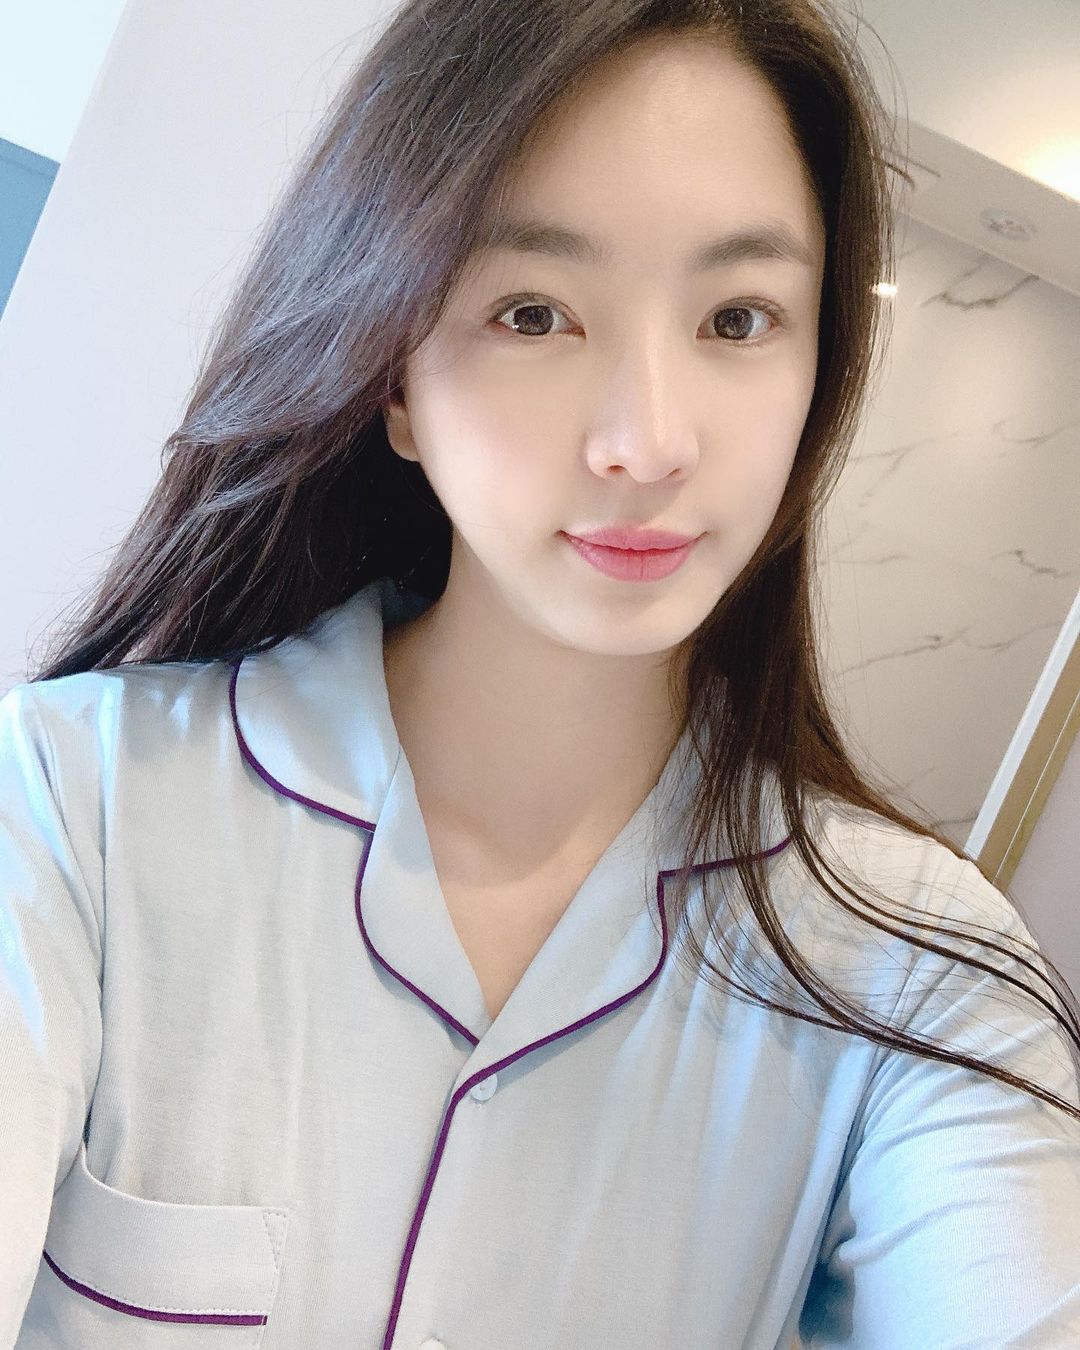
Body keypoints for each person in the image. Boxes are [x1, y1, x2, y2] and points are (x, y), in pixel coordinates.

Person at [2, 1, 1078, 1346]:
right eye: (534, 313)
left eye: (739, 318)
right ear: (394, 374)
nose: (650, 440)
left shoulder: (922, 975)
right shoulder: (73, 802)